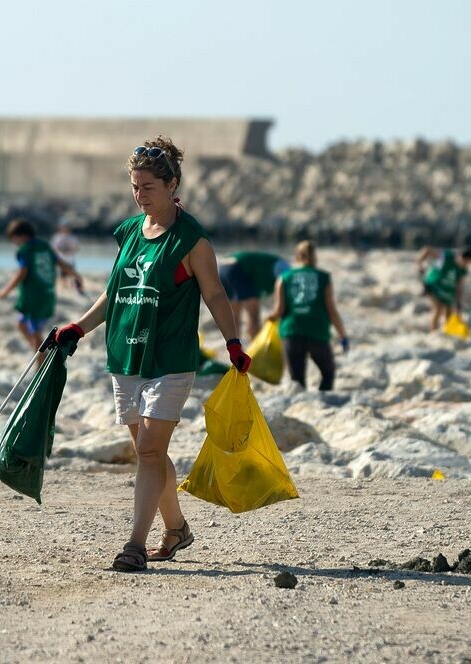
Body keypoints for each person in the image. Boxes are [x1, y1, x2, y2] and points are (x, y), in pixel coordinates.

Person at [52, 137, 249, 573]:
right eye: (135, 186)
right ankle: (177, 529)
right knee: (148, 452)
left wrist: (233, 343)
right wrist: (77, 328)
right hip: (125, 354)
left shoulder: (191, 239)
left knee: (149, 454)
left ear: (172, 183)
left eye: (148, 187)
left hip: (170, 359)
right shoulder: (128, 232)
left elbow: (215, 294)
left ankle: (135, 545)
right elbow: (113, 293)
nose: (140, 195)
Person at [266, 241, 348, 391]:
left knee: (297, 381)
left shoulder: (284, 278)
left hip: (292, 331)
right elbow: (332, 310)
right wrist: (343, 336)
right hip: (317, 331)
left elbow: (278, 310)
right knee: (328, 372)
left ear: (297, 256)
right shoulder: (323, 277)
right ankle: (322, 400)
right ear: (315, 256)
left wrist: (267, 320)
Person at [0, 220, 82, 354]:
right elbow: (61, 263)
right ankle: (39, 351)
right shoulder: (45, 246)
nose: (14, 243)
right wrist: (76, 275)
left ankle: (39, 362)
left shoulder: (25, 250)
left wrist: (6, 290)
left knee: (36, 332)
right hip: (47, 294)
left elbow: (22, 272)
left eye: (14, 239)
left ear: (21, 236)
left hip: (33, 296)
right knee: (21, 324)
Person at [218, 251, 289, 340]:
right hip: (238, 268)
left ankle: (234, 348)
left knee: (234, 316)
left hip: (222, 267)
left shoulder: (272, 266)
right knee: (253, 315)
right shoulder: (284, 268)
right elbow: (284, 284)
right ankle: (255, 344)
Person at [416, 246, 471, 331]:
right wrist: (419, 263)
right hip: (433, 286)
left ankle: (448, 332)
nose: (465, 265)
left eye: (468, 263)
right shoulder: (446, 257)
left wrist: (458, 301)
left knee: (449, 313)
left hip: (447, 292)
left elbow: (460, 286)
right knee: (438, 308)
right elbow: (427, 250)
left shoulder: (463, 270)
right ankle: (433, 332)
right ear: (460, 256)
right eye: (465, 262)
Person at [50, 222, 85, 294]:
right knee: (62, 275)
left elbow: (77, 248)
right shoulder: (57, 237)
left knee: (72, 274)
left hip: (70, 259)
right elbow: (53, 248)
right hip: (61, 259)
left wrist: (69, 250)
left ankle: (73, 288)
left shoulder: (72, 237)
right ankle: (64, 288)